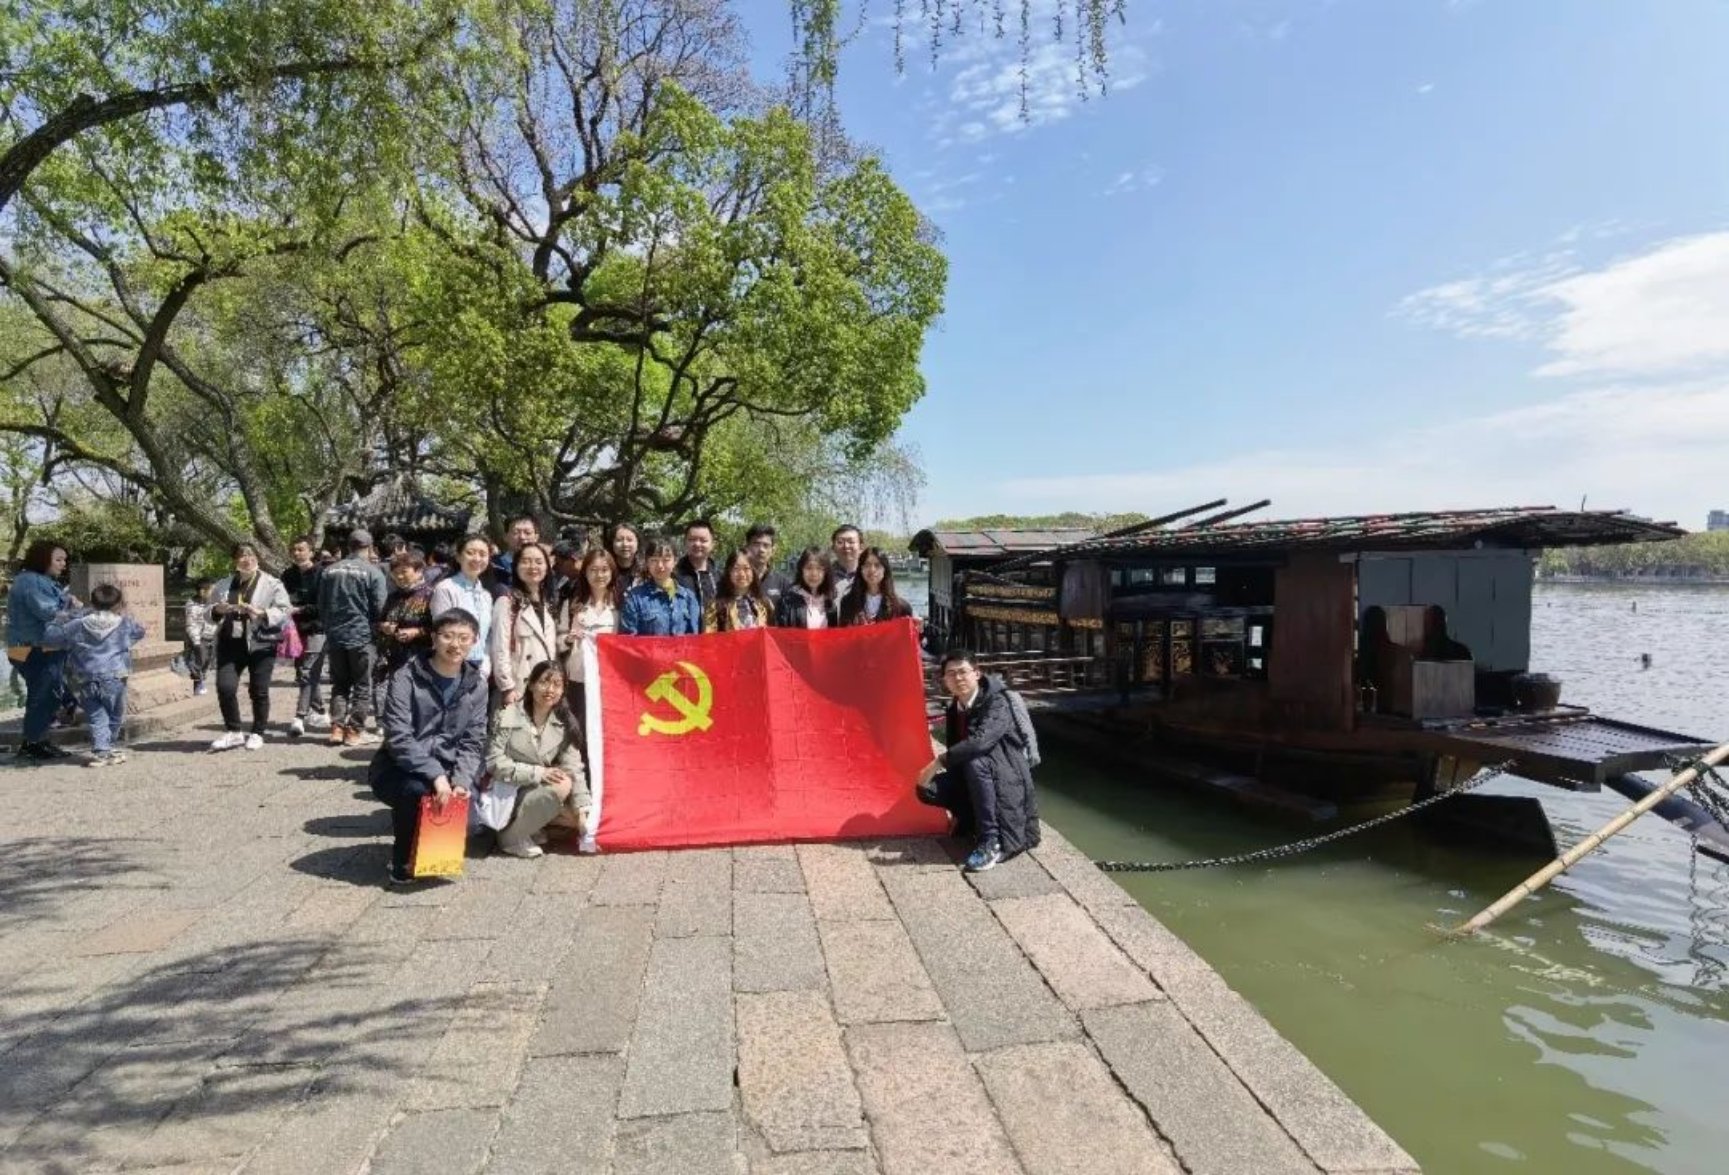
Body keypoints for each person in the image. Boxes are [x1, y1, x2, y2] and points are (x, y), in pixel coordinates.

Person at [370, 609, 489, 886]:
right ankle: (402, 859)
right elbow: (398, 736)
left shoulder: (477, 685)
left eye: (464, 638)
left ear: (474, 641)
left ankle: (428, 849)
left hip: (449, 767)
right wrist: (435, 775)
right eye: (448, 636)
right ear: (434, 638)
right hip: (398, 766)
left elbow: (473, 740)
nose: (455, 644)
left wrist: (461, 781)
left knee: (471, 823)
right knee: (416, 791)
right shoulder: (406, 677)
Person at [915, 648, 1041, 872]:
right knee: (927, 789)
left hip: (1006, 773)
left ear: (977, 673)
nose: (958, 678)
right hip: (975, 773)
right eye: (951, 673)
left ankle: (990, 841)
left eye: (963, 671)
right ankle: (967, 820)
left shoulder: (998, 702)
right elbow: (957, 750)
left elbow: (981, 742)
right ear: (944, 680)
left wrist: (939, 761)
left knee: (974, 761)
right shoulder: (955, 707)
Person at [484, 660, 591, 858]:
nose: (550, 690)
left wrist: (582, 814)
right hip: (509, 790)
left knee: (578, 817)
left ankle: (532, 828)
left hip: (537, 791)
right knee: (562, 784)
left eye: (557, 684)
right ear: (531, 684)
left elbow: (574, 768)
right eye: (544, 682)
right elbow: (494, 762)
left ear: (563, 690)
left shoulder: (564, 722)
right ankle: (510, 838)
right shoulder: (508, 714)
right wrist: (538, 773)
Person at [45, 583, 147, 767]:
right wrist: (125, 643)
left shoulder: (78, 624)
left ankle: (103, 750)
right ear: (118, 604)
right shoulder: (124, 623)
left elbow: (52, 638)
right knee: (115, 715)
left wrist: (62, 617)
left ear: (92, 603)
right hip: (115, 676)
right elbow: (140, 632)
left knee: (96, 716)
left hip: (85, 677)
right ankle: (106, 748)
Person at [209, 543, 292, 751]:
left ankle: (257, 732)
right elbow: (208, 611)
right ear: (234, 560)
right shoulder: (223, 584)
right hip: (230, 642)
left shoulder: (272, 583)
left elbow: (285, 611)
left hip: (261, 642)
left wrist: (262, 613)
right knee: (225, 687)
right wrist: (218, 610)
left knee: (258, 690)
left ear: (257, 557)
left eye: (251, 555)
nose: (247, 560)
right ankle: (234, 731)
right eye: (242, 556)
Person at [317, 529, 390, 747]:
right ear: (369, 547)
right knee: (362, 685)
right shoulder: (373, 572)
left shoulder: (329, 571)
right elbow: (380, 607)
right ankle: (354, 730)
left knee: (339, 683)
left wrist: (330, 626)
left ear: (348, 546)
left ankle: (336, 728)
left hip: (335, 635)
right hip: (362, 635)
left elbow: (321, 604)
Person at [6, 540, 74, 761]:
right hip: (33, 647)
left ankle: (38, 741)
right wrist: (77, 612)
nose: (63, 564)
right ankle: (33, 743)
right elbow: (48, 611)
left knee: (45, 693)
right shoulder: (31, 582)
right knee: (44, 694)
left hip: (30, 646)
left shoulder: (37, 580)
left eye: (64, 560)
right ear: (43, 559)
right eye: (58, 560)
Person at [490, 542, 558, 709]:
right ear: (516, 567)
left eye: (539, 562)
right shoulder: (507, 602)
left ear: (547, 567)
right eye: (526, 561)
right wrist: (507, 687)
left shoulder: (548, 604)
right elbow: (499, 648)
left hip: (544, 686)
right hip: (518, 687)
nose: (533, 567)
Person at [558, 548, 620, 715]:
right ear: (585, 573)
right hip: (578, 677)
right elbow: (559, 638)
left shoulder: (620, 605)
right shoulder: (573, 604)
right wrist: (568, 639)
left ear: (612, 573)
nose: (599, 575)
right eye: (593, 570)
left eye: (604, 570)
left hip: (609, 679)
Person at [282, 534, 329, 737]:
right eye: (293, 550)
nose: (296, 553)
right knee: (305, 671)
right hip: (295, 630)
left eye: (301, 549)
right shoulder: (287, 575)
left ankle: (299, 717)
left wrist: (300, 609)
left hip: (317, 628)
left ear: (311, 551)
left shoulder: (322, 574)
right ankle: (320, 711)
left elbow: (324, 604)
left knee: (308, 672)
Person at [430, 534, 496, 678]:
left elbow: (487, 636)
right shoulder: (446, 589)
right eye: (470, 553)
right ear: (459, 557)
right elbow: (443, 634)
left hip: (480, 669)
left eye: (483, 554)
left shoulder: (486, 596)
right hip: (451, 668)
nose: (477, 558)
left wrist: (485, 665)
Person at [620, 538, 702, 635]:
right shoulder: (635, 598)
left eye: (666, 560)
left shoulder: (688, 597)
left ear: (675, 561)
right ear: (647, 562)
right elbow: (628, 639)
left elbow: (693, 636)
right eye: (654, 560)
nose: (660, 565)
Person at [377, 550, 435, 678]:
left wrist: (417, 632)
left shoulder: (431, 595)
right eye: (395, 573)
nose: (399, 576)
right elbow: (380, 621)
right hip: (393, 660)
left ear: (419, 571)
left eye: (404, 572)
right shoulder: (393, 597)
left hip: (422, 660)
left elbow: (441, 628)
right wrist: (384, 627)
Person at [839, 546, 916, 626]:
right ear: (861, 569)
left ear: (885, 570)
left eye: (877, 565)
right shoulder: (848, 603)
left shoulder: (901, 607)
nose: (872, 570)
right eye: (867, 565)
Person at [704, 550, 771, 633]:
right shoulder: (717, 606)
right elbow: (709, 637)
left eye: (746, 568)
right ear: (729, 572)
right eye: (736, 568)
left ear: (753, 572)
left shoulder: (764, 604)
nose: (742, 574)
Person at [773, 547, 839, 629]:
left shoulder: (831, 603)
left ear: (826, 572)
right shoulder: (787, 602)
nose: (814, 574)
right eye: (809, 568)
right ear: (801, 570)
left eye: (819, 568)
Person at [489, 515, 541, 599]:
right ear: (505, 536)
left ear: (536, 537)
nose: (522, 537)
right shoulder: (492, 565)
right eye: (516, 532)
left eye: (527, 533)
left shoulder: (543, 568)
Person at [674, 519, 720, 608]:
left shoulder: (720, 577)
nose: (697, 544)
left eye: (703, 540)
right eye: (692, 540)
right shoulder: (674, 575)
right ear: (685, 542)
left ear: (712, 544)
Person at [745, 523, 791, 607]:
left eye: (766, 545)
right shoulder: (736, 580)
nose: (761, 550)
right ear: (747, 547)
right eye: (756, 544)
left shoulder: (783, 584)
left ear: (773, 550)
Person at [182, 581, 216, 696]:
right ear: (202, 591)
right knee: (198, 661)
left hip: (209, 636)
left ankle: (201, 681)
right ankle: (197, 684)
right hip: (198, 638)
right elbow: (191, 625)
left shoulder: (210, 603)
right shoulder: (192, 605)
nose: (213, 593)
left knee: (207, 660)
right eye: (211, 590)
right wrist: (196, 641)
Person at [830, 524, 864, 599]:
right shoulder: (823, 575)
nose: (846, 546)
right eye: (840, 542)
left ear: (861, 547)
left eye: (851, 542)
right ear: (833, 548)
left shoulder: (870, 576)